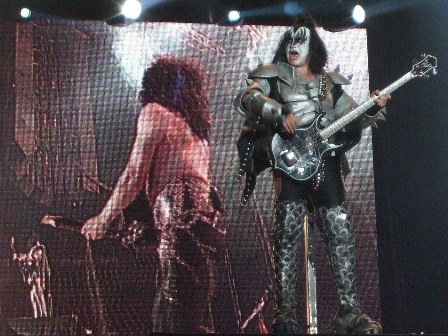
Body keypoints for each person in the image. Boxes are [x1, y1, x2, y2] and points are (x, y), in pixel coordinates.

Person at [233, 15, 390, 334]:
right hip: (288, 161)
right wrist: (276, 111)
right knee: (286, 234)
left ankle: (350, 312)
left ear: (312, 47)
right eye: (291, 39)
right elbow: (246, 99)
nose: (293, 45)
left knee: (339, 232)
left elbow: (351, 117)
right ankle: (285, 314)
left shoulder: (327, 83)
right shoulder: (272, 76)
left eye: (300, 40)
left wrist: (372, 108)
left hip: (324, 163)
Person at [81, 56, 225, 333]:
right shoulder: (197, 134)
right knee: (184, 316)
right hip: (208, 224)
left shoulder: (155, 113)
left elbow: (135, 173)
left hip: (182, 217)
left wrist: (104, 218)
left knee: (170, 316)